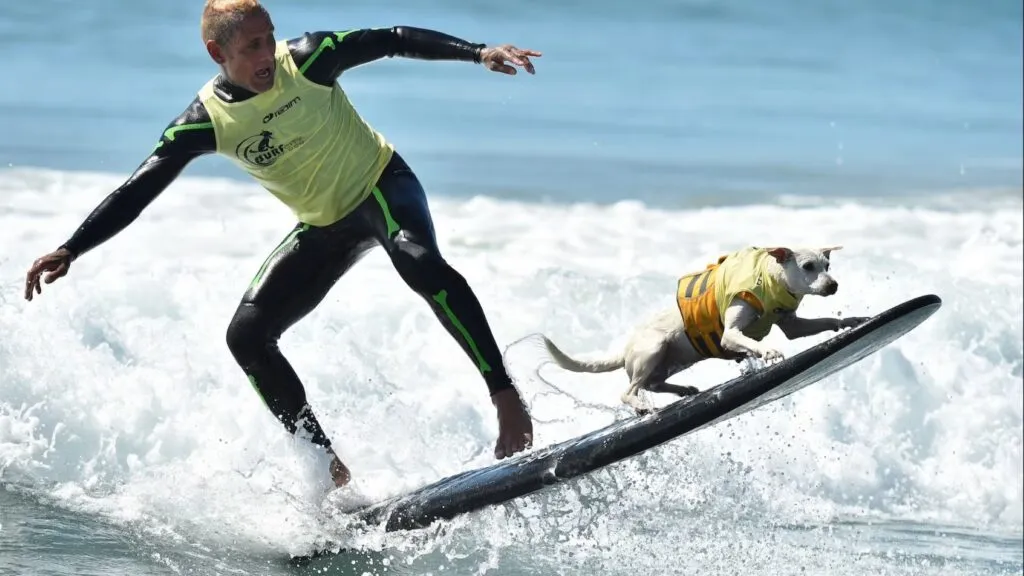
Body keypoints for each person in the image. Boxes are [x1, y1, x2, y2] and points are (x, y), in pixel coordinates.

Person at [23, 0, 540, 488]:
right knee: (246, 335)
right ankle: (327, 466)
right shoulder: (206, 121)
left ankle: (505, 397)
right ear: (216, 53)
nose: (266, 54)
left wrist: (478, 52)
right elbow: (138, 189)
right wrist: (73, 248)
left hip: (382, 186)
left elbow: (394, 38)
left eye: (267, 39)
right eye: (250, 47)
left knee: (417, 262)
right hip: (323, 225)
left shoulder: (309, 58)